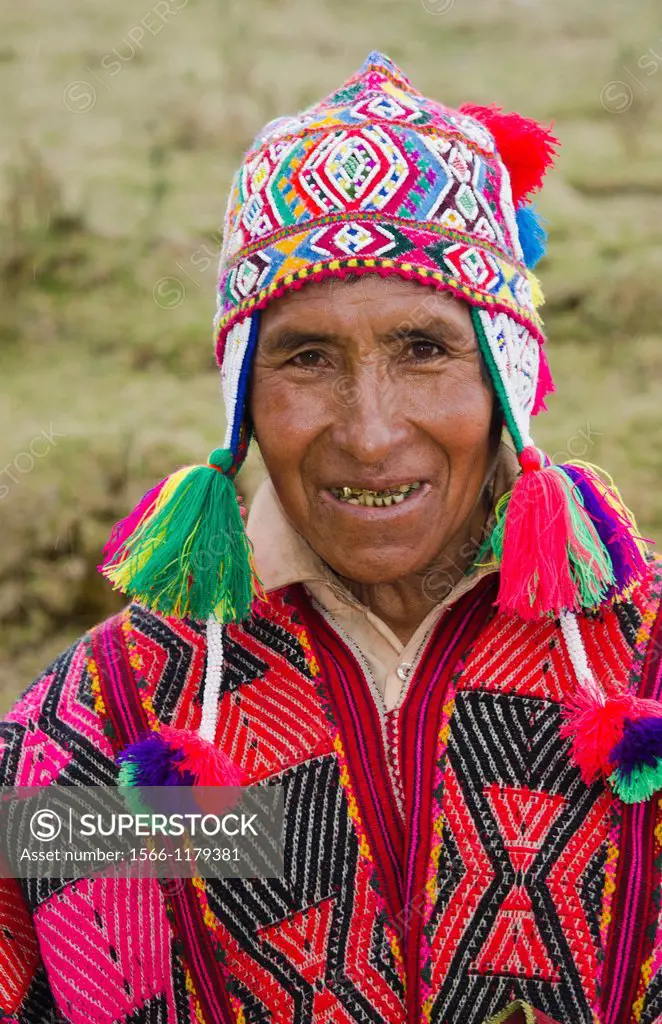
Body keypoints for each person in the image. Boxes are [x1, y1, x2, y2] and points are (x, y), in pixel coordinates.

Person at [1, 51, 661, 1024]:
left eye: (424, 349)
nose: (369, 429)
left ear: (503, 381)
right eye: (305, 358)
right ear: (241, 404)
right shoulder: (115, 716)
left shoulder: (639, 666)